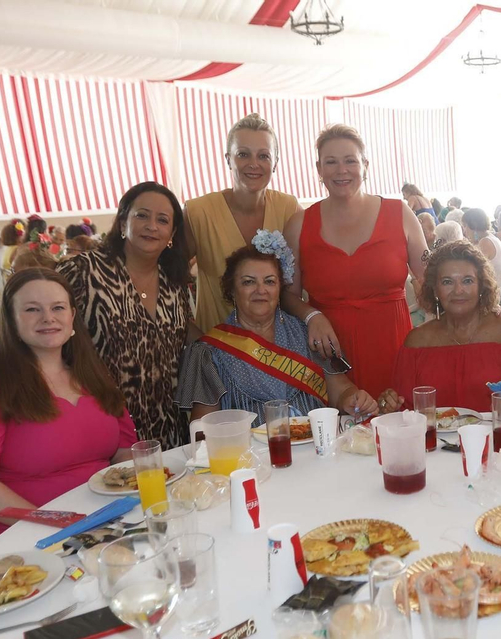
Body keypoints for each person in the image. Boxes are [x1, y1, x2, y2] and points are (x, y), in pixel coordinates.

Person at [0, 268, 136, 560]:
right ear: (10, 320)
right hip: (15, 532)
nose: (48, 318)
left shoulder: (92, 374)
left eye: (58, 308)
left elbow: (124, 453)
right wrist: (65, 526)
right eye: (32, 309)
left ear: (72, 316)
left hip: (100, 518)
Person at [283, 124, 428, 399]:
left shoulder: (400, 214)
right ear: (319, 169)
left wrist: (484, 308)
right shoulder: (298, 224)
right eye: (331, 162)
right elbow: (287, 296)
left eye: (350, 160)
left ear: (365, 165)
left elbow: (431, 280)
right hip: (331, 359)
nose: (342, 170)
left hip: (394, 348)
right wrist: (312, 315)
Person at [60, 180, 199, 449]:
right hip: (103, 422)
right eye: (142, 216)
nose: (152, 226)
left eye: (162, 220)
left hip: (167, 428)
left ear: (172, 233)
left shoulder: (174, 281)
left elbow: (185, 331)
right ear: (123, 222)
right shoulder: (84, 272)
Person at [177, 244, 375, 422]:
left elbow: (340, 390)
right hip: (248, 450)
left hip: (314, 443)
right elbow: (203, 427)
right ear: (231, 291)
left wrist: (352, 399)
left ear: (280, 289)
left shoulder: (307, 333)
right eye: (248, 282)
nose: (261, 290)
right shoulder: (209, 351)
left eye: (269, 281)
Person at [381, 240, 501, 414]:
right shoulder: (417, 342)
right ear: (435, 290)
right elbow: (403, 409)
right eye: (447, 282)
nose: (458, 290)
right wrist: (388, 404)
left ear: (481, 286)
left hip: (499, 432)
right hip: (433, 433)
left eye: (467, 281)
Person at [183, 114, 304, 332]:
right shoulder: (198, 213)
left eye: (263, 156)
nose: (253, 164)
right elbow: (168, 280)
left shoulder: (289, 209)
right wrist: (192, 335)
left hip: (277, 346)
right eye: (243, 154)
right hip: (216, 344)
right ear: (228, 159)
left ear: (275, 163)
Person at [461, 208, 501, 281]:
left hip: (496, 286)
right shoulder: (490, 237)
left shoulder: (485, 242)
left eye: (464, 226)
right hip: (499, 282)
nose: (464, 230)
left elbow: (473, 267)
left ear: (473, 226)